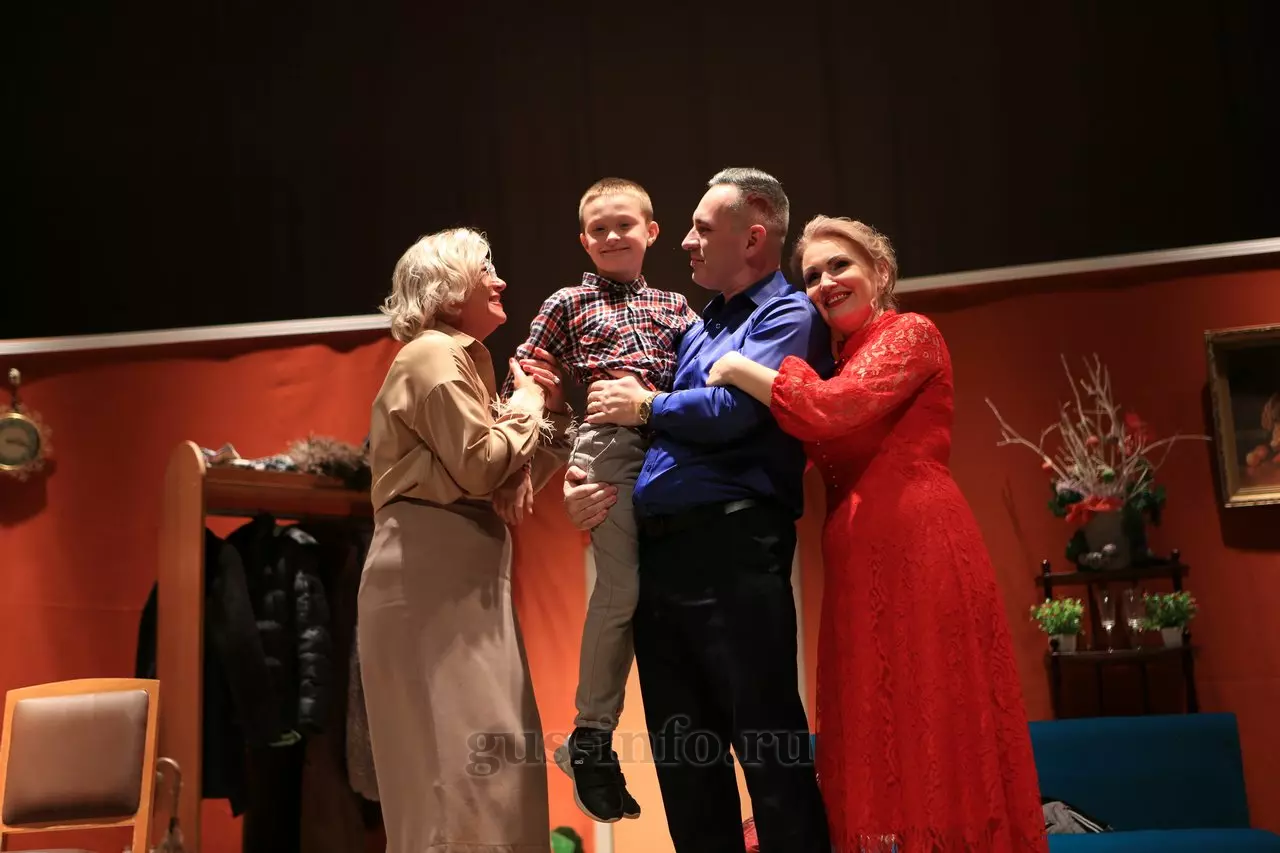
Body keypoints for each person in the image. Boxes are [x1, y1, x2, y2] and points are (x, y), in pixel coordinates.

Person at [705, 215, 1049, 852]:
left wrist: (737, 367)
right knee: (872, 716)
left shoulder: (911, 333)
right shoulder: (834, 362)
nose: (825, 282)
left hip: (920, 545)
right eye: (812, 275)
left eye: (840, 266)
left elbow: (829, 410)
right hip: (855, 558)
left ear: (881, 272)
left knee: (931, 710)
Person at [563, 168, 834, 853]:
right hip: (663, 554)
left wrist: (649, 405)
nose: (685, 242)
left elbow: (734, 410)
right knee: (686, 765)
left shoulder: (787, 315)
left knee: (768, 748)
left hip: (733, 547)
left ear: (754, 238)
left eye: (702, 229)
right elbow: (630, 424)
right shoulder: (700, 323)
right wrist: (578, 479)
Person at [359, 227, 572, 853]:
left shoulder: (459, 362)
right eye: (487, 269)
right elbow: (481, 467)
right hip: (431, 570)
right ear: (450, 288)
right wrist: (527, 404)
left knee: (493, 759)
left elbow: (500, 473)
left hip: (462, 570)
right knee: (459, 771)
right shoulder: (431, 353)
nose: (501, 281)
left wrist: (549, 415)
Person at [504, 177, 699, 823]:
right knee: (622, 587)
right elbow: (528, 376)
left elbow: (700, 377)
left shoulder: (676, 306)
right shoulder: (568, 301)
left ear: (652, 231)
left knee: (669, 593)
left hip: (669, 445)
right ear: (583, 240)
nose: (613, 236)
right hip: (607, 448)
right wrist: (546, 459)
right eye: (599, 229)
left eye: (624, 224)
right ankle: (591, 736)